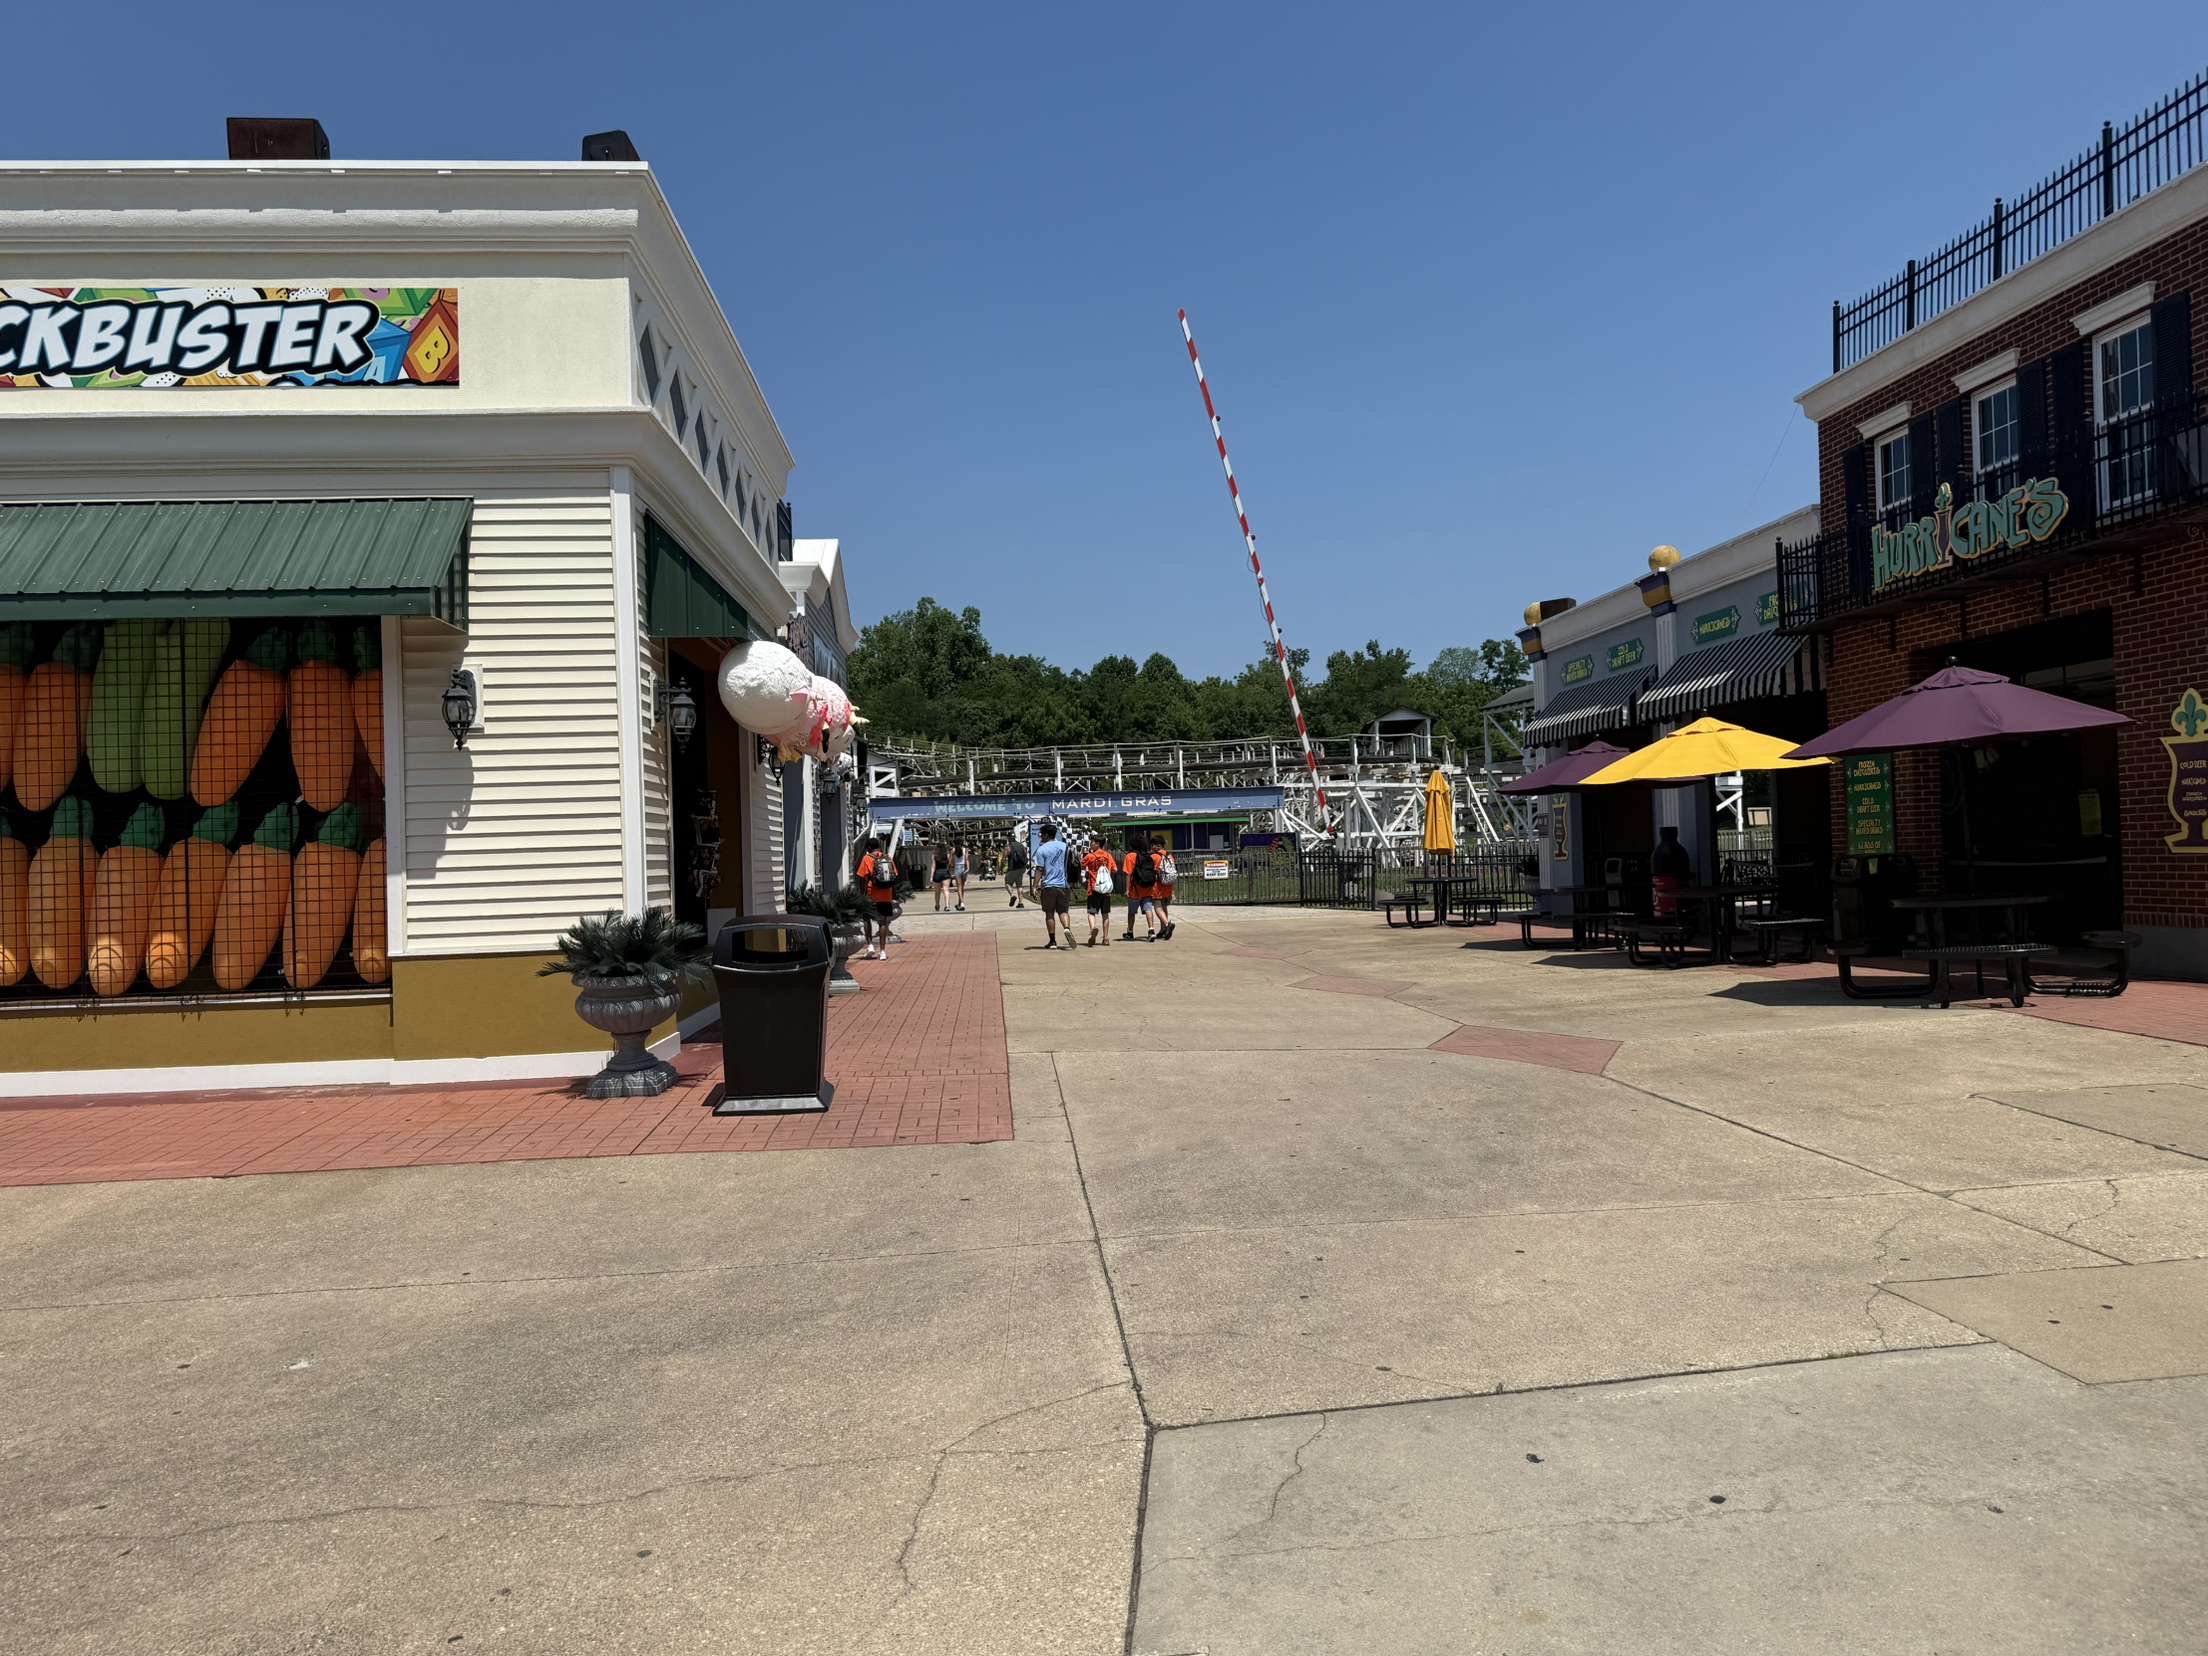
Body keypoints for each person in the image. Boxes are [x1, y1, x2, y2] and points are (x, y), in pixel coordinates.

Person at [1034, 822, 1079, 950]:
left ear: (1047, 835)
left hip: (1049, 885)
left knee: (1049, 913)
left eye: (1041, 834)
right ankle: (1066, 928)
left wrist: (1034, 885)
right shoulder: (1065, 846)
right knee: (1063, 911)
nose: (1040, 836)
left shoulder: (1041, 849)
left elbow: (1040, 869)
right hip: (1064, 885)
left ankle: (1052, 941)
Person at [853, 834, 899, 961]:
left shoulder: (867, 858)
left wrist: (862, 894)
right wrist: (893, 894)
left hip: (871, 895)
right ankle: (883, 951)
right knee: (883, 922)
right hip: (886, 895)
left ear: (868, 847)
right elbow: (894, 876)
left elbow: (862, 878)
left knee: (867, 919)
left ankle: (870, 945)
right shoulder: (887, 858)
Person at [1079, 835, 1118, 947]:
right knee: (1105, 914)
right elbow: (1115, 869)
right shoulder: (1108, 856)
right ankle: (1105, 938)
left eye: (1092, 842)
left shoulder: (1090, 856)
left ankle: (1093, 929)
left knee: (1091, 912)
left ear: (1097, 844)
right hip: (1106, 890)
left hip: (1093, 888)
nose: (1091, 844)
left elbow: (1081, 865)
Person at [1125, 832, 1162, 941]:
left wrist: (1127, 889)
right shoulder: (1149, 856)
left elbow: (1128, 874)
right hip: (1147, 888)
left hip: (1134, 889)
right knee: (1148, 909)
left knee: (1131, 912)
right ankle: (1151, 930)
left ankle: (1130, 932)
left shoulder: (1130, 856)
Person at [1651, 824, 1693, 919]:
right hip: (1679, 894)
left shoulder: (1658, 851)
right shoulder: (1680, 850)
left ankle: (1664, 913)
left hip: (1662, 894)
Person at [1151, 835, 1178, 940]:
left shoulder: (1154, 857)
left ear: (1158, 846)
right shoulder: (1169, 856)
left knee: (1157, 906)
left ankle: (1167, 925)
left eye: (1153, 845)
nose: (1152, 847)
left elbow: (1153, 871)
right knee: (1164, 907)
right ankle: (1163, 930)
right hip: (1168, 885)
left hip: (1158, 886)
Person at [1004, 831, 1030, 908]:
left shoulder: (1008, 846)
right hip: (1021, 868)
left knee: (1007, 883)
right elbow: (1025, 855)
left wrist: (1001, 865)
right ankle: (1021, 903)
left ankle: (1012, 896)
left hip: (1012, 868)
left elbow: (1004, 857)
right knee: (1019, 886)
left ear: (1008, 838)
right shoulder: (1021, 845)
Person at [930, 841, 952, 911]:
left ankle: (937, 905)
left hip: (937, 873)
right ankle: (947, 905)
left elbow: (933, 866)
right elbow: (949, 864)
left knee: (937, 891)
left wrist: (931, 876)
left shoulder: (934, 855)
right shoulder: (947, 855)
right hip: (945, 872)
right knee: (946, 890)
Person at [951, 844, 970, 911]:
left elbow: (952, 860)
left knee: (959, 887)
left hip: (957, 868)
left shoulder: (953, 850)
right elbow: (967, 859)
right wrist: (968, 868)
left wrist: (952, 865)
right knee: (962, 887)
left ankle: (962, 903)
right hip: (964, 868)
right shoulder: (965, 849)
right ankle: (959, 904)